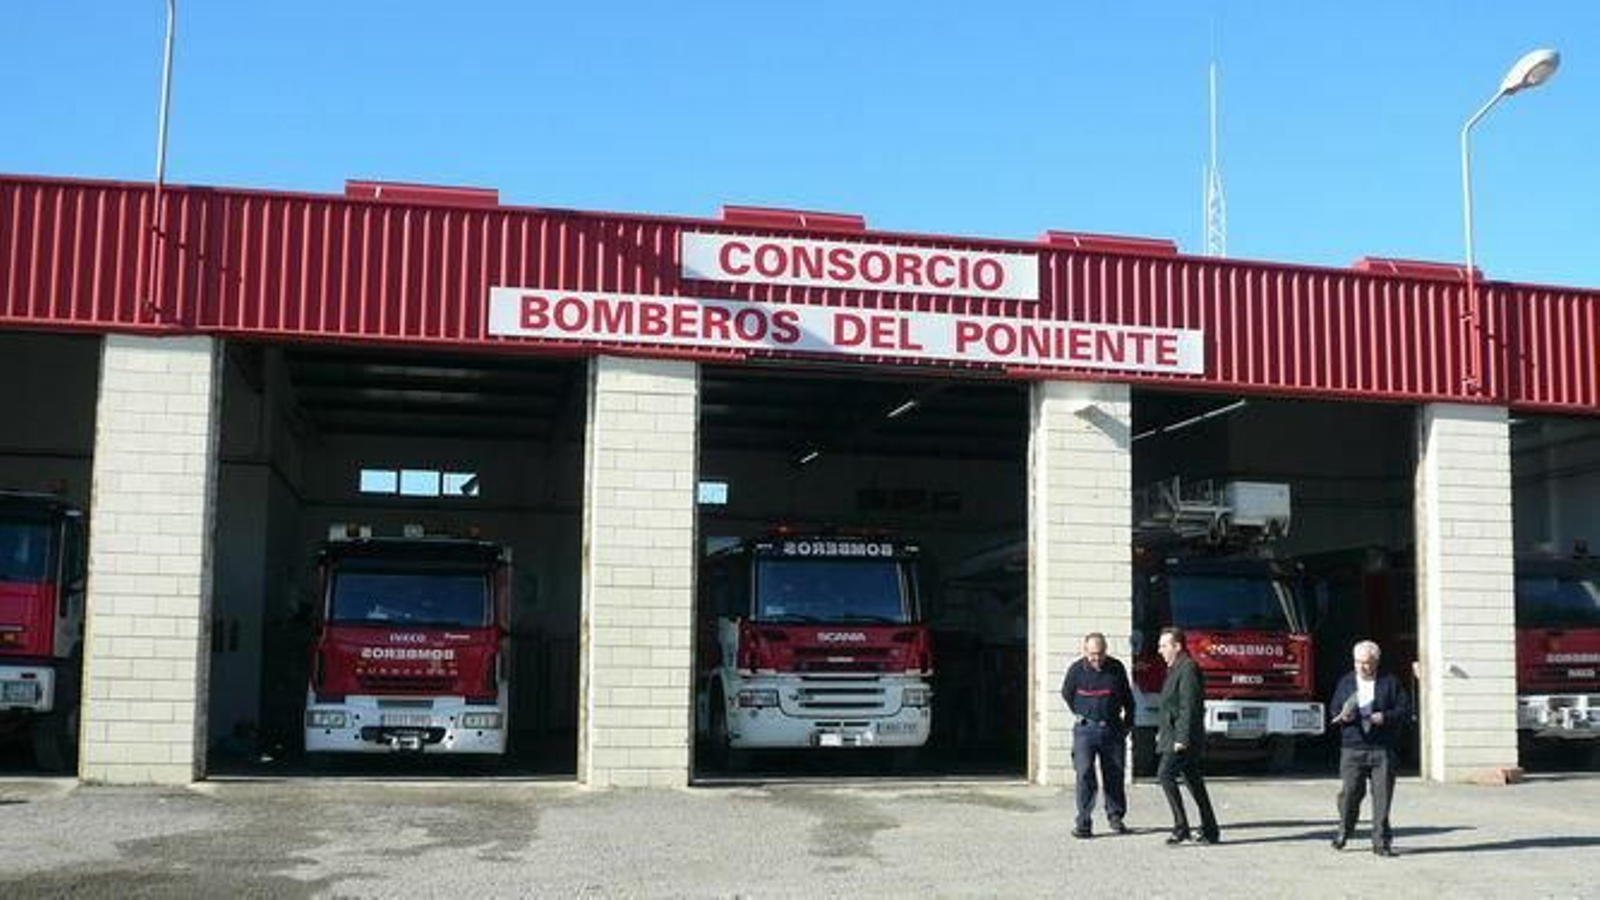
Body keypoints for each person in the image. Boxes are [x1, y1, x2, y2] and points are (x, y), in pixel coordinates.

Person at [1329, 639, 1410, 858]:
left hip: (1382, 748)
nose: (1361, 667)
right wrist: (1343, 716)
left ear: (1376, 662)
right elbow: (1334, 708)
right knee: (1350, 793)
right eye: (1358, 662)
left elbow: (1404, 709)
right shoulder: (1346, 682)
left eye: (1366, 662)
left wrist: (1385, 717)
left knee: (1382, 797)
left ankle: (1381, 842)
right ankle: (1344, 829)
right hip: (1353, 747)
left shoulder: (1390, 682)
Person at [1060, 632, 1136, 838]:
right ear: (1085, 651)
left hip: (1112, 729)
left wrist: (1128, 724)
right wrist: (1082, 712)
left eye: (1100, 653)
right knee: (1084, 773)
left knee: (1114, 774)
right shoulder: (1076, 670)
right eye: (1093, 654)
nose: (1097, 658)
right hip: (1085, 730)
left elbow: (1128, 699)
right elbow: (1067, 693)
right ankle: (1084, 822)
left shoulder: (1116, 668)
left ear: (1106, 651)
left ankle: (1115, 817)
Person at [1156, 626, 1220, 845]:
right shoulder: (1175, 668)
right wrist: (1162, 732)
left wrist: (1181, 739)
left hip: (1183, 738)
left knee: (1165, 775)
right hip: (1173, 734)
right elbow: (1170, 706)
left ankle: (1181, 827)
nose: (1160, 650)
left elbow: (1189, 707)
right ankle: (1210, 830)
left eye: (1164, 646)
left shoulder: (1188, 668)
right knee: (1193, 780)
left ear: (1177, 646)